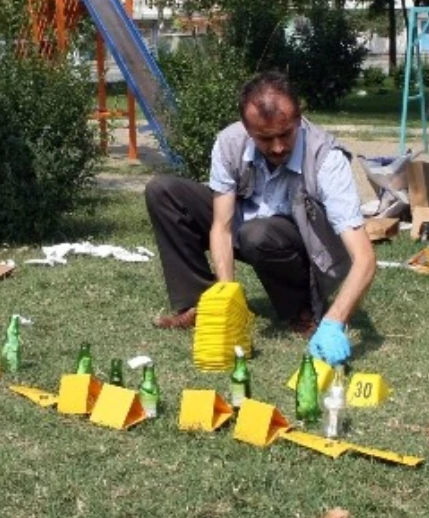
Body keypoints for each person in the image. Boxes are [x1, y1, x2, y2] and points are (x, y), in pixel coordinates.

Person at [144, 72, 376, 365]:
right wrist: (227, 297)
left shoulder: (327, 158)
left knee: (258, 233)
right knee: (164, 191)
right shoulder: (230, 143)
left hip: (302, 246)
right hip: (247, 228)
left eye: (285, 134)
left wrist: (335, 321)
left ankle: (300, 308)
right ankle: (204, 306)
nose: (278, 147)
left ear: (299, 119)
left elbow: (365, 258)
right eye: (265, 138)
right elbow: (222, 225)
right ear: (247, 128)